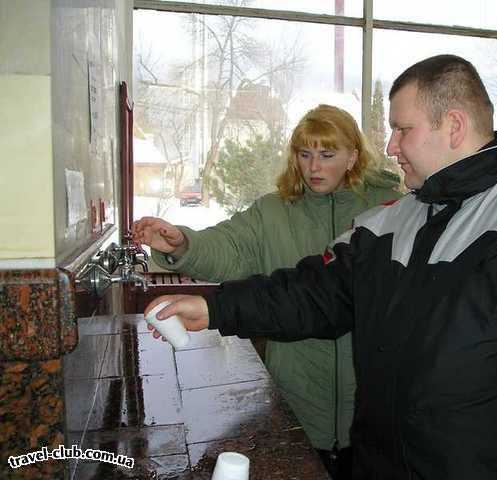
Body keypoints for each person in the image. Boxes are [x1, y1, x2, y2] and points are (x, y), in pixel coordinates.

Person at [144, 55, 497, 479]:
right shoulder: (392, 220)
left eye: (402, 129)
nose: (389, 146)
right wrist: (214, 308)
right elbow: (314, 293)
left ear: (454, 126)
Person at [132, 104, 400, 479]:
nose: (313, 167)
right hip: (296, 400)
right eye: (304, 155)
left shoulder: (387, 210)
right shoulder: (274, 211)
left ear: (353, 155)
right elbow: (230, 246)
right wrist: (181, 243)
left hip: (373, 410)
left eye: (327, 155)